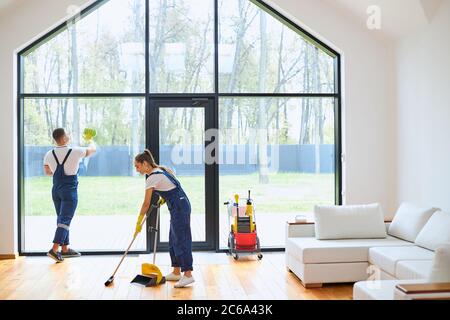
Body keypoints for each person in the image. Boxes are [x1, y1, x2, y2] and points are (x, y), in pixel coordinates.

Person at [134, 149, 194, 288]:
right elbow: (170, 187)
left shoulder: (152, 177)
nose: (137, 169)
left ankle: (188, 275)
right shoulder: (159, 170)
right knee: (174, 239)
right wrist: (164, 198)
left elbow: (146, 203)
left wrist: (139, 221)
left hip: (180, 207)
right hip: (177, 205)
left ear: (145, 163)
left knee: (182, 238)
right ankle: (176, 271)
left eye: (137, 166)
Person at [43, 128, 97, 263]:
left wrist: (58, 170)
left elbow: (48, 172)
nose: (69, 135)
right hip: (69, 190)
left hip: (56, 190)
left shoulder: (49, 154)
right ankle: (54, 249)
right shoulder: (75, 151)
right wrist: (91, 140)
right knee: (65, 219)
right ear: (63, 138)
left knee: (61, 218)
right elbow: (92, 150)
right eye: (67, 134)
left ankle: (65, 249)